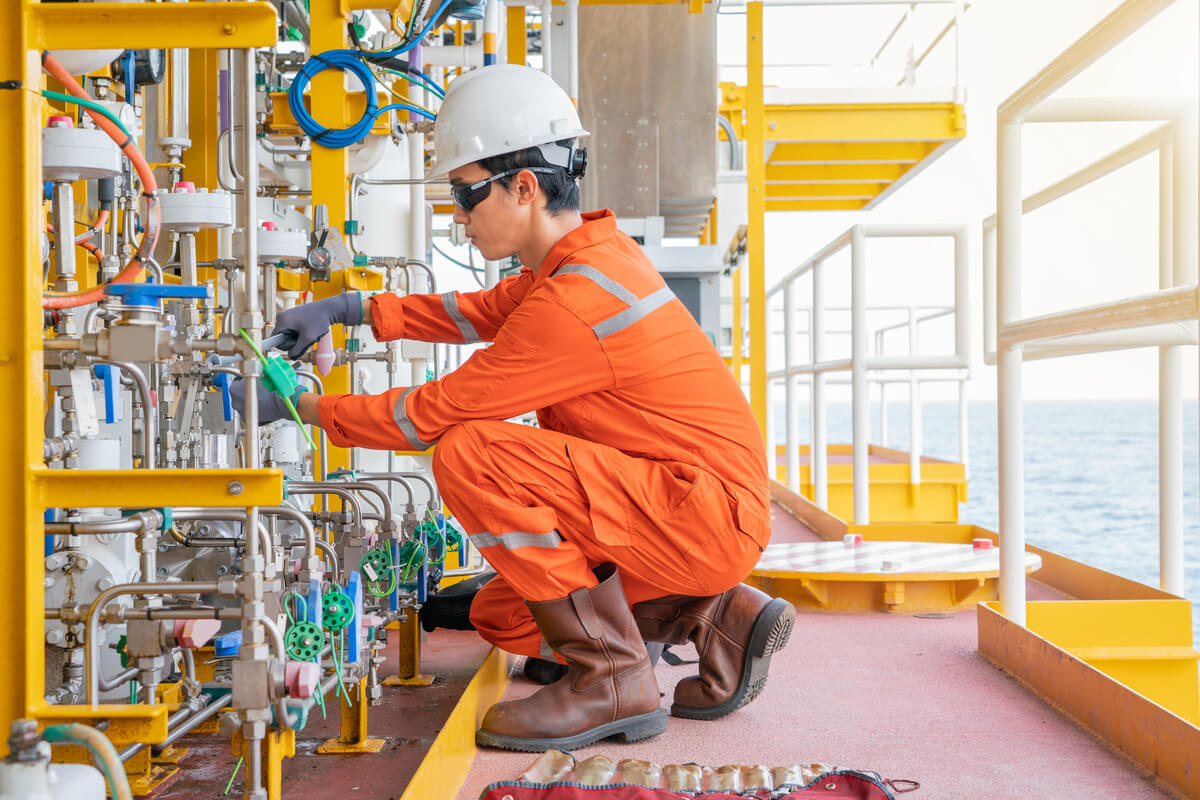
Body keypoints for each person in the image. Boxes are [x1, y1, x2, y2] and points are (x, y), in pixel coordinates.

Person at [232, 64, 794, 752]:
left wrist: (302, 410)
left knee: (472, 450)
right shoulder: (578, 261)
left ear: (524, 187)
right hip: (686, 507)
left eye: (467, 194)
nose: (457, 215)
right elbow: (473, 312)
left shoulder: (573, 302)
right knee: (506, 617)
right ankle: (711, 614)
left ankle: (612, 676)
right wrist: (351, 310)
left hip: (701, 514)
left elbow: (429, 415)